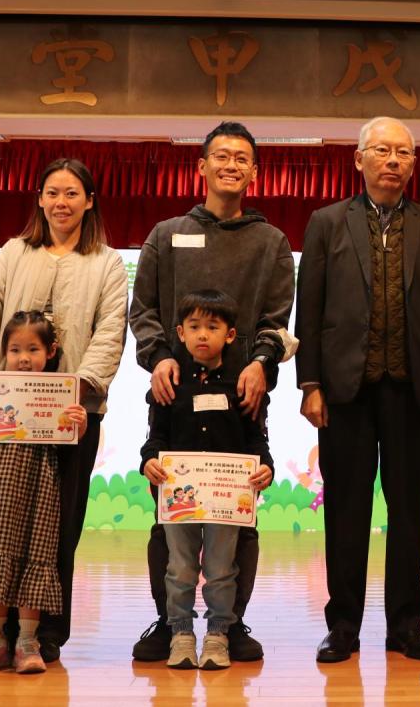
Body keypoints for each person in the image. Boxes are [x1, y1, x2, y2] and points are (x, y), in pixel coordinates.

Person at [296, 116, 420, 663]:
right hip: (344, 392)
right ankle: (343, 626)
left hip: (414, 391)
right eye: (382, 150)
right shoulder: (327, 223)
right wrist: (310, 383)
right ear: (359, 159)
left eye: (404, 153)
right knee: (345, 511)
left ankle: (406, 626)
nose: (393, 160)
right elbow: (311, 306)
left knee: (410, 511)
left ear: (414, 164)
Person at [128, 121, 295, 663]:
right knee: (169, 520)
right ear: (201, 166)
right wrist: (159, 357)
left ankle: (230, 624)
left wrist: (261, 364)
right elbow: (143, 311)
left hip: (242, 393)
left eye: (242, 158)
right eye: (221, 156)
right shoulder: (166, 234)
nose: (231, 165)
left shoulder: (272, 242)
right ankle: (170, 622)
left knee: (237, 518)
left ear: (255, 172)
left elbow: (277, 319)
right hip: (173, 391)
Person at [0, 157, 128, 663]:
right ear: (39, 198)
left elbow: (110, 331)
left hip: (71, 418)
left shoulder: (107, 263)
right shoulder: (12, 253)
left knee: (59, 525)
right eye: (53, 192)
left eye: (72, 193)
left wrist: (81, 390)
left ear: (90, 201)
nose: (61, 202)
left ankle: (44, 633)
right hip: (4, 416)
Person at [139, 290, 275, 671]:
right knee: (180, 568)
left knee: (220, 569)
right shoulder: (169, 384)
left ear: (229, 335)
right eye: (194, 327)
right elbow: (155, 439)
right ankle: (180, 633)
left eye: (212, 327)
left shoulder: (241, 385)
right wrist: (149, 461)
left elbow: (256, 441)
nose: (203, 335)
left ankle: (218, 634)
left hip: (226, 501)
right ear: (180, 333)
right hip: (178, 498)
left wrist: (266, 467)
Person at [0, 311, 88, 674]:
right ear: (4, 352)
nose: (23, 358)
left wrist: (78, 425)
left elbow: (68, 448)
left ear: (51, 351)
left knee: (37, 554)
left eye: (32, 349)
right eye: (14, 350)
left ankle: (28, 641)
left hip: (40, 488)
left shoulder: (60, 394)